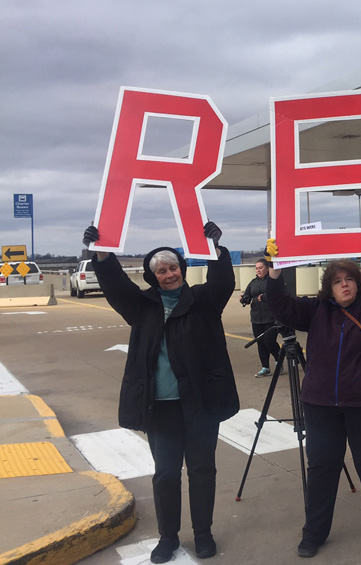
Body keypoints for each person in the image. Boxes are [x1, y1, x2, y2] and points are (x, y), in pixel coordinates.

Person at [83, 222, 238, 563]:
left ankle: (203, 533)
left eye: (173, 268)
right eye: (162, 271)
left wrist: (214, 249)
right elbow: (116, 287)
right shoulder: (142, 307)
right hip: (161, 408)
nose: (169, 274)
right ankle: (168, 537)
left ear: (182, 270)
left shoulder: (203, 301)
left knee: (201, 470)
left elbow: (224, 281)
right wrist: (102, 254)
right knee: (166, 472)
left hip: (200, 404)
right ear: (153, 278)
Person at [264, 237, 361, 557]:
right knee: (321, 468)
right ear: (328, 289)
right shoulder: (316, 311)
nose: (344, 285)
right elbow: (281, 306)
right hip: (321, 406)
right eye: (337, 282)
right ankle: (314, 533)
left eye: (349, 280)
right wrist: (274, 271)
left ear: (358, 283)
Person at [240, 258, 282, 377]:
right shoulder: (253, 282)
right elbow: (247, 295)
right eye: (256, 268)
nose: (258, 270)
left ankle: (278, 358)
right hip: (256, 318)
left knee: (269, 341)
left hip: (271, 317)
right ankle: (265, 367)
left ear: (267, 268)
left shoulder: (273, 281)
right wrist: (244, 299)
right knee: (261, 343)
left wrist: (264, 297)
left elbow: (278, 294)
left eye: (261, 268)